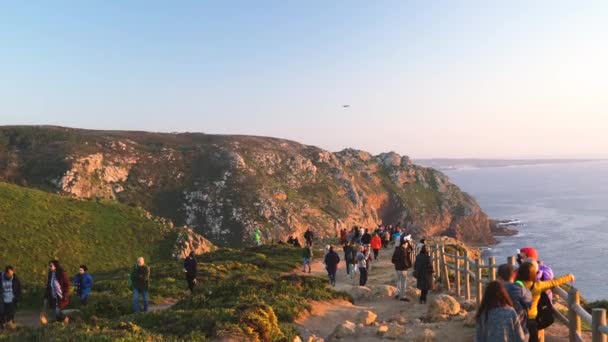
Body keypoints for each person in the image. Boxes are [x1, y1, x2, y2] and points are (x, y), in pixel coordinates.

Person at [516, 261, 574, 342]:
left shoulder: (516, 285)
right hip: (531, 320)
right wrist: (569, 277)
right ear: (534, 274)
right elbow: (554, 282)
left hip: (517, 318)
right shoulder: (538, 286)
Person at [497, 264, 531, 337]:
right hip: (521, 331)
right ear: (514, 276)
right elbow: (529, 303)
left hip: (501, 332)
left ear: (499, 277)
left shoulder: (495, 292)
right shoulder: (523, 290)